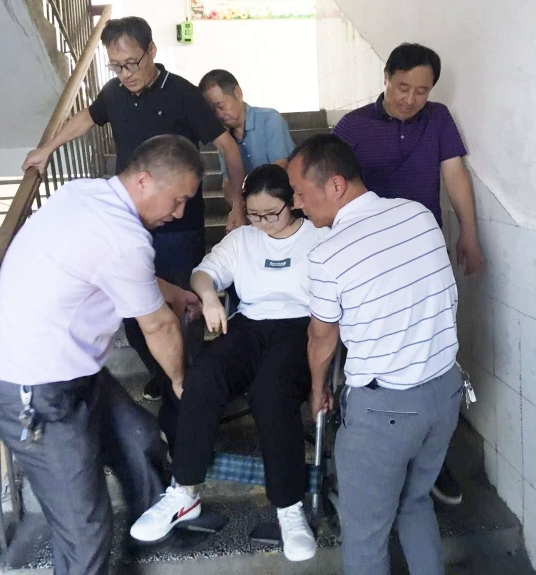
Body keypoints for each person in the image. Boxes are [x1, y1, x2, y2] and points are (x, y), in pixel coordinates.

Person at [0, 134, 204, 575]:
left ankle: (157, 522)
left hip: (76, 369)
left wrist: (173, 292)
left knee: (139, 438)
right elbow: (159, 326)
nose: (179, 213)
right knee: (84, 529)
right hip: (34, 389)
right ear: (144, 181)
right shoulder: (124, 236)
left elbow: (116, 267)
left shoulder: (85, 194)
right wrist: (183, 383)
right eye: (178, 200)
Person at [22, 17, 246, 404]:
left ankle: (190, 383)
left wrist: (237, 204)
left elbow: (227, 145)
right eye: (117, 66)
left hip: (178, 227)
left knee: (182, 307)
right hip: (128, 225)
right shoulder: (114, 93)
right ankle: (166, 374)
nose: (125, 74)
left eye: (132, 63)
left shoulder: (182, 93)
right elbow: (86, 118)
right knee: (131, 309)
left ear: (152, 51)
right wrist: (47, 149)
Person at [130, 164, 327, 563]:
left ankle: (288, 508)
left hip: (300, 328)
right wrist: (209, 297)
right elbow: (203, 273)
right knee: (201, 377)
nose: (262, 223)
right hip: (249, 324)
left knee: (271, 393)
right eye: (254, 214)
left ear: (293, 203)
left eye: (271, 214)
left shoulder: (319, 238)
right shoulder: (243, 239)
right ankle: (185, 493)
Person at [287, 134, 464, 575]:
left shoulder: (327, 253)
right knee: (415, 502)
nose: (296, 205)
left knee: (366, 538)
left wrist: (317, 391)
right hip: (446, 393)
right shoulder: (418, 215)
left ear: (336, 185)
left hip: (385, 413)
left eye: (301, 193)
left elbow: (322, 338)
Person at [332, 42, 482, 505]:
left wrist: (469, 233)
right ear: (386, 77)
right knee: (371, 353)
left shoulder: (438, 119)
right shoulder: (353, 126)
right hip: (369, 263)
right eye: (402, 87)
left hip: (424, 258)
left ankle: (432, 461)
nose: (410, 99)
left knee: (432, 352)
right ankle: (366, 446)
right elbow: (329, 183)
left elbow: (454, 174)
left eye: (421, 91)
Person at [199, 69, 295, 207]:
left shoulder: (270, 119)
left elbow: (280, 166)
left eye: (221, 106)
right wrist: (238, 208)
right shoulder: (224, 139)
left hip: (281, 203)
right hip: (250, 206)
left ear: (238, 93)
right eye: (213, 111)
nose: (219, 115)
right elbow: (227, 182)